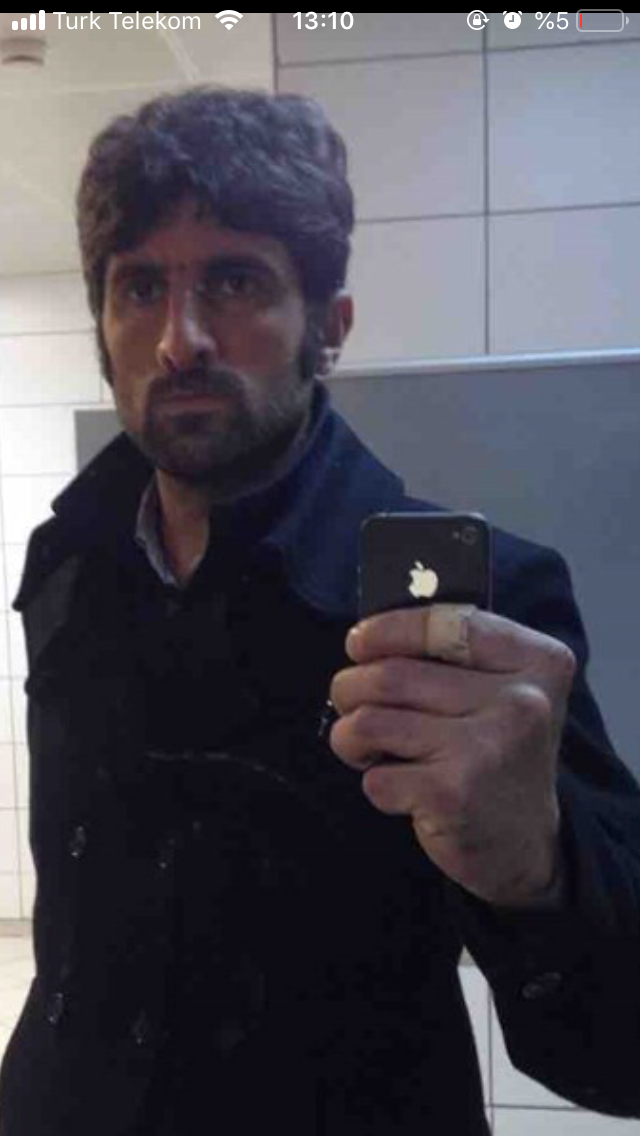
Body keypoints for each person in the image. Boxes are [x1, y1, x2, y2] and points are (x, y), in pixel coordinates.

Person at [1, 85, 640, 1136]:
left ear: (328, 328)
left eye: (234, 280)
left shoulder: (479, 608)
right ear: (103, 329)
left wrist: (538, 869)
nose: (179, 340)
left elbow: (619, 1049)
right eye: (140, 287)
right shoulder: (70, 560)